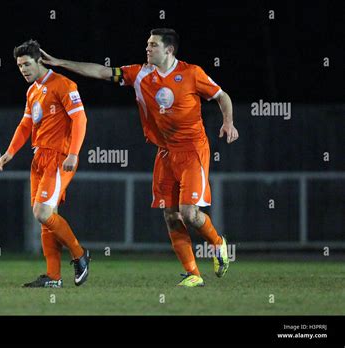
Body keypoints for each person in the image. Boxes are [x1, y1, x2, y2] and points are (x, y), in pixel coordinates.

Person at [40, 28, 239, 287]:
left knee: (189, 214)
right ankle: (193, 274)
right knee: (170, 216)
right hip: (165, 152)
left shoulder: (192, 73)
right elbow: (102, 71)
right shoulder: (140, 73)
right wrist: (60, 63)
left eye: (153, 45)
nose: (147, 48)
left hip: (192, 151)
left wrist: (228, 122)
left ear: (169, 50)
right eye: (147, 43)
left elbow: (221, 96)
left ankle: (218, 244)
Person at [0, 39, 90, 288]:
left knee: (42, 213)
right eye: (19, 66)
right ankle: (53, 276)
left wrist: (73, 153)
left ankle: (80, 254)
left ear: (40, 61)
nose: (23, 70)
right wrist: (10, 151)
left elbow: (80, 119)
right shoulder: (33, 91)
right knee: (46, 217)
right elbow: (26, 124)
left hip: (59, 157)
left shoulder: (63, 84)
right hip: (39, 157)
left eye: (27, 64)